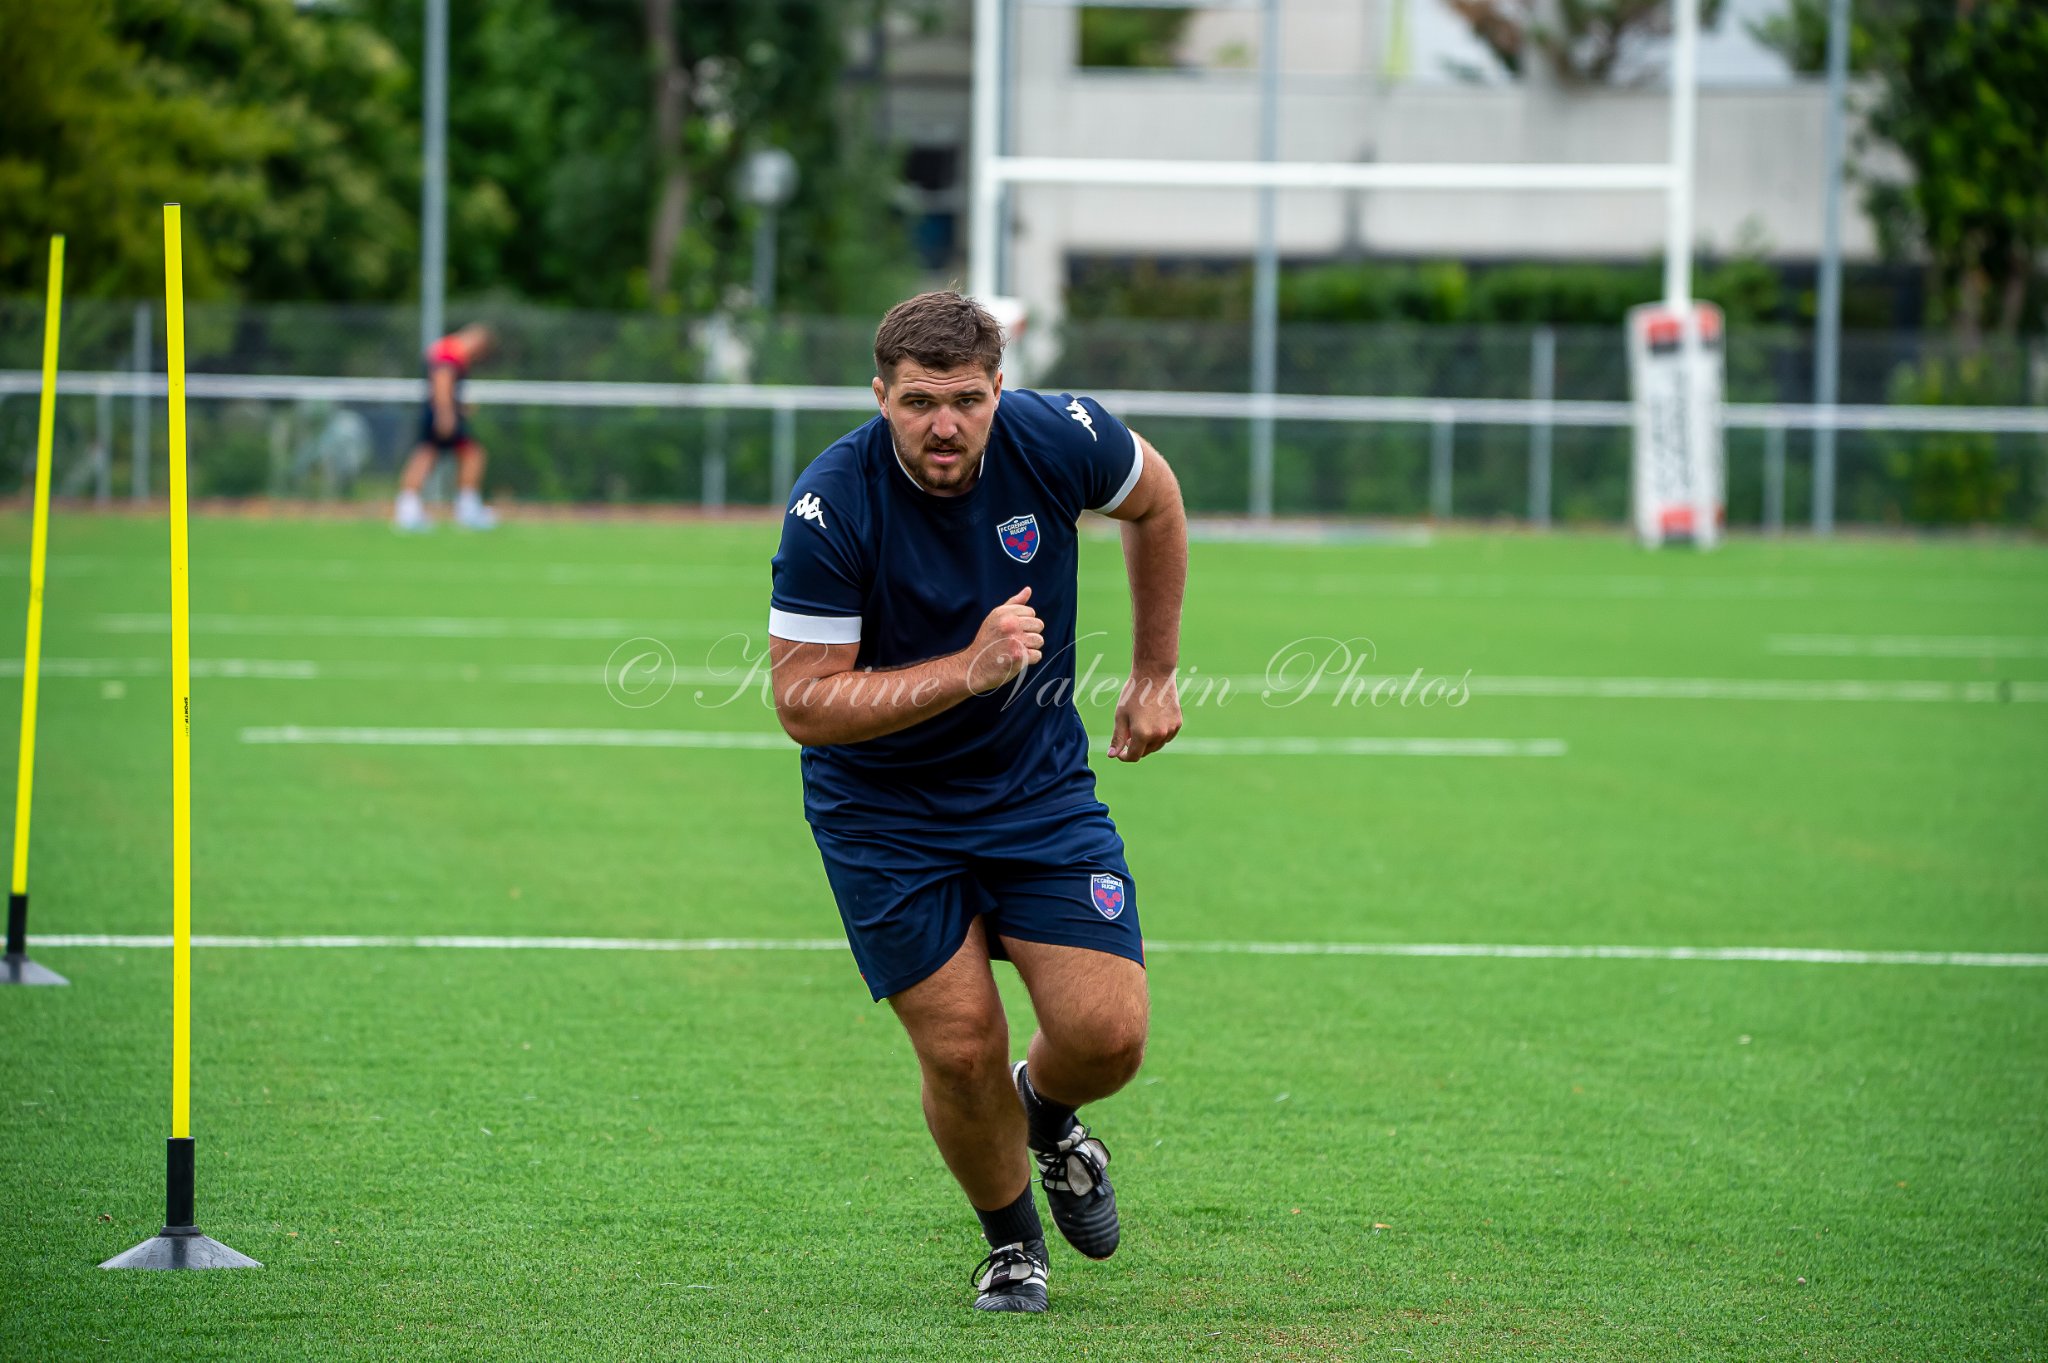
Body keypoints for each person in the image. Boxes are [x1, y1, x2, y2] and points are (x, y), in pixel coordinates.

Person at [766, 291, 1187, 1313]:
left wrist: (1153, 671)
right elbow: (803, 701)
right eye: (916, 402)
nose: (942, 425)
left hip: (1034, 789)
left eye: (964, 399)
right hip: (884, 810)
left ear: (1000, 389)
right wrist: (967, 668)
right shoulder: (832, 504)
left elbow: (1156, 499)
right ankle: (1011, 1243)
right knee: (959, 1044)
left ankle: (1042, 1114)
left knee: (1106, 1036)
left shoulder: (1053, 437)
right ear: (880, 396)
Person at [394, 323, 496, 531]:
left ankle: (409, 508)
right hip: (441, 413)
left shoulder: (448, 349)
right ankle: (465, 509)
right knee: (465, 454)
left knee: (432, 454)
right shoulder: (451, 351)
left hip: (441, 410)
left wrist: (458, 407)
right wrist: (446, 414)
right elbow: (442, 382)